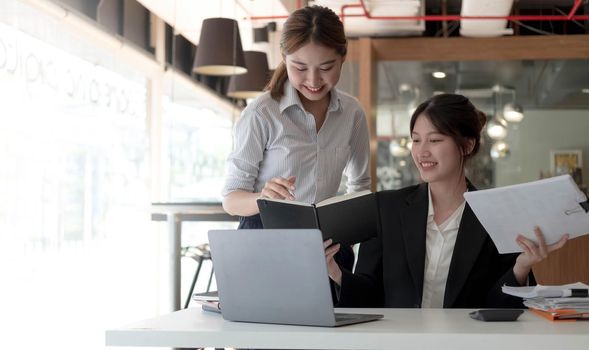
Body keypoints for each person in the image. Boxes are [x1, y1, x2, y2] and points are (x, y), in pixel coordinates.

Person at [324, 93, 569, 308]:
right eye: (416, 139)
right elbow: (369, 297)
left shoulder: (494, 215)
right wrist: (335, 272)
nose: (422, 151)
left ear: (467, 145)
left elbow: (498, 309)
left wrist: (521, 267)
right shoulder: (386, 208)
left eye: (435, 140)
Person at [222, 5, 370, 261]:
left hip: (331, 246)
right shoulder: (261, 113)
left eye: (326, 67)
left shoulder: (352, 113)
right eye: (300, 67)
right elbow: (231, 199)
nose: (313, 80)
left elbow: (359, 186)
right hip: (264, 240)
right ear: (284, 57)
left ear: (343, 57)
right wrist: (263, 197)